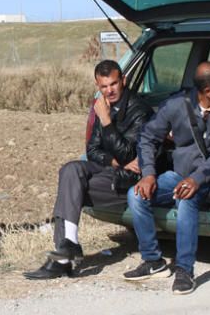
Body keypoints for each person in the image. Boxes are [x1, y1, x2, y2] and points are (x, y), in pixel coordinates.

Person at [124, 61, 210, 295]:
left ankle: (184, 270)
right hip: (180, 174)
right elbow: (147, 137)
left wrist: (197, 179)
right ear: (209, 92)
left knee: (186, 199)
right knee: (136, 195)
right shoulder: (176, 105)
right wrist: (148, 174)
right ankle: (153, 261)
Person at [25, 60, 152, 279]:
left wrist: (105, 121)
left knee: (70, 187)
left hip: (128, 181)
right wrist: (115, 161)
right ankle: (69, 245)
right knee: (70, 171)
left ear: (124, 80)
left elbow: (129, 155)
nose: (109, 90)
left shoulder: (139, 111)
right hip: (113, 171)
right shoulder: (103, 105)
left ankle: (63, 259)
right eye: (104, 86)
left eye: (113, 84)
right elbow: (92, 150)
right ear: (97, 84)